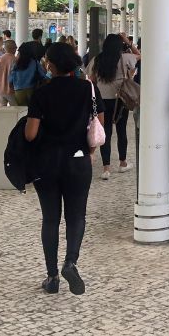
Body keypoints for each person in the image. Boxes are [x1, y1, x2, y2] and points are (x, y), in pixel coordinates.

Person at [24, 43, 103, 295]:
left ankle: (52, 276)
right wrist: (89, 151)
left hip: (46, 162)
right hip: (78, 160)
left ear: (52, 64)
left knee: (50, 218)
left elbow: (30, 133)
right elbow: (98, 124)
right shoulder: (87, 89)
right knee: (76, 215)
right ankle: (71, 262)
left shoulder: (41, 92)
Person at [86, 34, 137, 180]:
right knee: (121, 131)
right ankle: (122, 163)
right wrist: (128, 41)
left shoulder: (97, 60)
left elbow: (91, 79)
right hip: (119, 101)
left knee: (105, 132)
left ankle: (106, 168)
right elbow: (139, 55)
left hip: (102, 101)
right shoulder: (125, 58)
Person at [9, 42, 42, 106]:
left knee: (21, 113)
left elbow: (10, 80)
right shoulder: (35, 62)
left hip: (18, 92)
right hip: (32, 91)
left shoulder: (16, 63)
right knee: (32, 112)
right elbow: (43, 76)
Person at [0, 39, 17, 108]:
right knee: (16, 111)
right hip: (12, 90)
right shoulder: (15, 59)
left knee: (2, 111)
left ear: (5, 49)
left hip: (0, 90)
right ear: (14, 48)